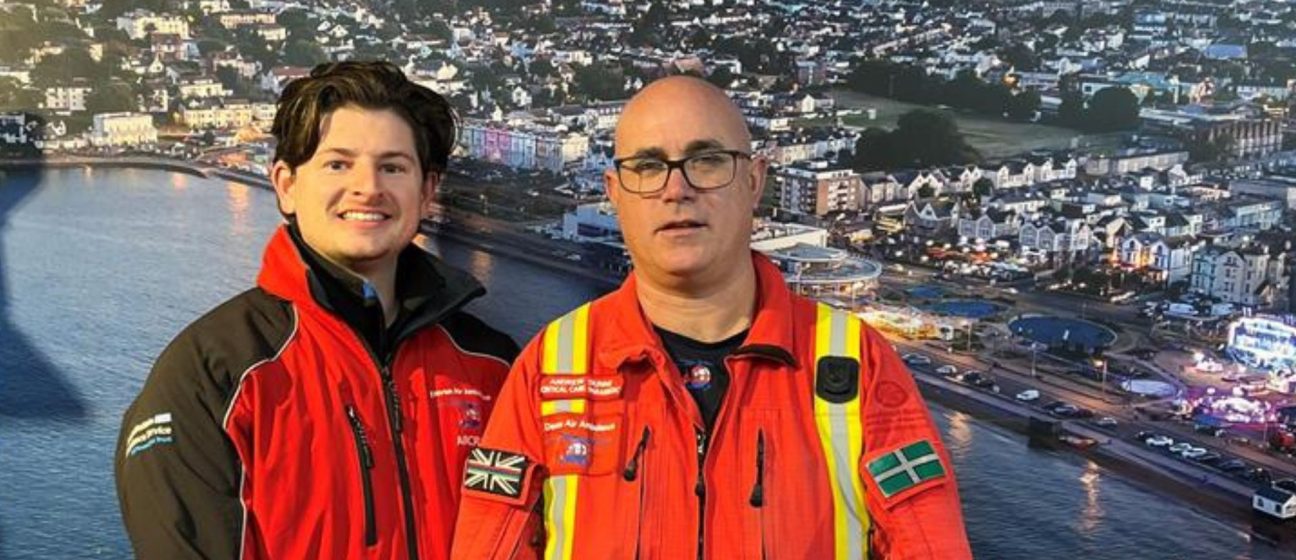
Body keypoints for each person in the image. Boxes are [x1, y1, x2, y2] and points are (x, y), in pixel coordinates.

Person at [451, 76, 971, 559]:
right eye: (649, 166)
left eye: (706, 160)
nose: (676, 189)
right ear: (614, 194)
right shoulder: (549, 368)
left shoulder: (858, 366)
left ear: (754, 180)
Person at [115, 61, 518, 559]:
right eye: (337, 164)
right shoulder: (212, 374)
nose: (368, 187)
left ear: (427, 191)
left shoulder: (495, 366)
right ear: (286, 184)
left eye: (393, 166)